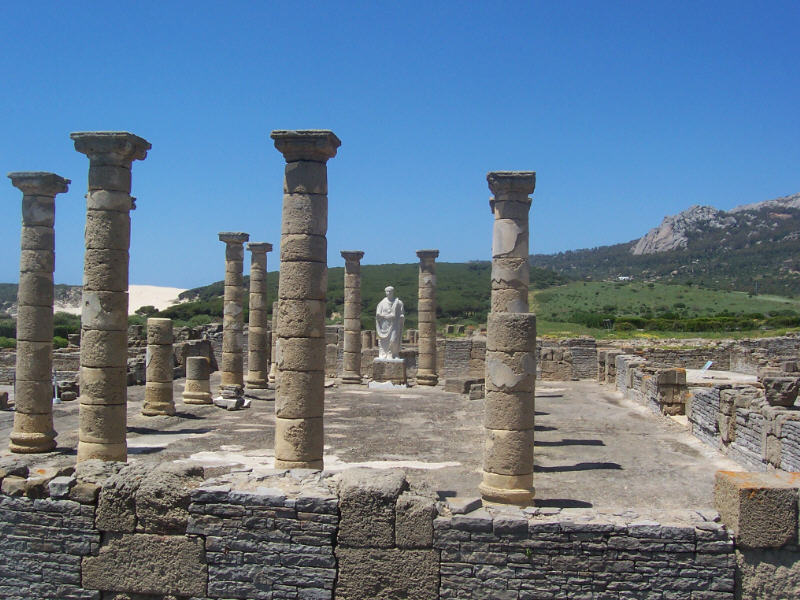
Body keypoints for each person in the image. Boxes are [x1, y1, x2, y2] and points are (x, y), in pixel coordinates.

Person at [375, 286, 404, 359]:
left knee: (393, 340)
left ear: (393, 292)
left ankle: (394, 354)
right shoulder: (381, 303)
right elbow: (378, 314)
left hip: (394, 324)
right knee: (384, 341)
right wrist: (385, 316)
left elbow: (401, 314)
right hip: (384, 325)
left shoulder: (399, 303)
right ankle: (385, 354)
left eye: (390, 291)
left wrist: (401, 317)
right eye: (387, 291)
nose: (388, 293)